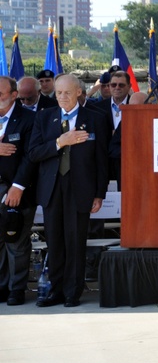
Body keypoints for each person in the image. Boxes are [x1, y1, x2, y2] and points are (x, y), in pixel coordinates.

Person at [27, 74, 109, 307]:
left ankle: (72, 292)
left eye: (67, 93)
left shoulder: (96, 118)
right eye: (58, 93)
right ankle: (55, 290)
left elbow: (101, 160)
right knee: (54, 241)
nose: (62, 97)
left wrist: (99, 193)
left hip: (80, 188)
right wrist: (60, 142)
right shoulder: (44, 118)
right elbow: (33, 153)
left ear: (79, 93)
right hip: (52, 188)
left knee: (75, 241)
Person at [0, 76, 37, 306]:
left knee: (16, 242)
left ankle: (17, 289)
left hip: (17, 189)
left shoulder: (30, 119)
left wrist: (18, 187)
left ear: (14, 95)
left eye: (1, 94)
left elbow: (30, 157)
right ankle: (2, 287)